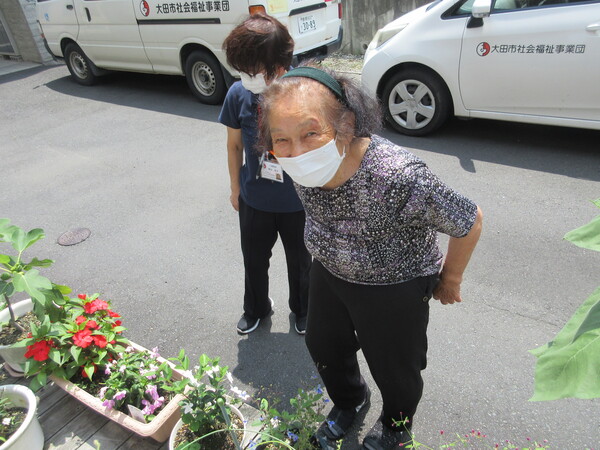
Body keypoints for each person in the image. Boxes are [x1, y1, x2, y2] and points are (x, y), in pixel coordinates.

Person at [257, 66, 483, 449]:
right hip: (330, 269)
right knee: (324, 345)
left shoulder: (398, 176)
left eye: (311, 133)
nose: (296, 151)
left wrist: (451, 279)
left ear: (346, 124)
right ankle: (349, 401)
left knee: (395, 368)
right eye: (282, 139)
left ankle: (396, 426)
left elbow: (469, 219)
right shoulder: (296, 162)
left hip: (393, 284)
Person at [219, 15, 312, 335]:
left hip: (298, 200)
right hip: (254, 197)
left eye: (254, 70)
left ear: (279, 64)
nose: (247, 77)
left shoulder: (303, 94)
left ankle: (303, 310)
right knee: (254, 260)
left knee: (302, 263)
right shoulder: (238, 94)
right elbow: (233, 146)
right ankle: (256, 307)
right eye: (242, 70)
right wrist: (235, 189)